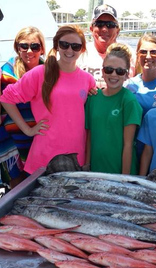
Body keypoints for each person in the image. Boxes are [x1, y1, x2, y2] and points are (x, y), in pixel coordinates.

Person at [0, 25, 96, 174]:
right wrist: (28, 129)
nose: (69, 50)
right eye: (65, 44)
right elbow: (6, 98)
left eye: (75, 46)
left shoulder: (88, 80)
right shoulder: (39, 73)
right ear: (57, 45)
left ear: (82, 49)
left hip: (77, 155)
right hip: (45, 154)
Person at [85, 43, 142, 175]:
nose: (114, 74)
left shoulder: (129, 101)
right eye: (109, 70)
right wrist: (87, 164)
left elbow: (128, 145)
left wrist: (124, 177)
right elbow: (89, 136)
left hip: (119, 172)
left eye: (120, 71)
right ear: (103, 71)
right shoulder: (93, 98)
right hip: (95, 170)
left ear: (127, 75)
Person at [0, 26, 45, 188]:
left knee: (42, 183)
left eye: (34, 46)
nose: (29, 51)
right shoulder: (6, 74)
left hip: (43, 135)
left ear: (42, 49)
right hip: (13, 139)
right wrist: (27, 129)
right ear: (17, 47)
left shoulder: (50, 72)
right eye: (24, 46)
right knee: (17, 185)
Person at [78, 4, 135, 88]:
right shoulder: (79, 52)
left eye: (110, 24)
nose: (104, 29)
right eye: (99, 24)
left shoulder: (129, 53)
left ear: (118, 31)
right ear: (91, 29)